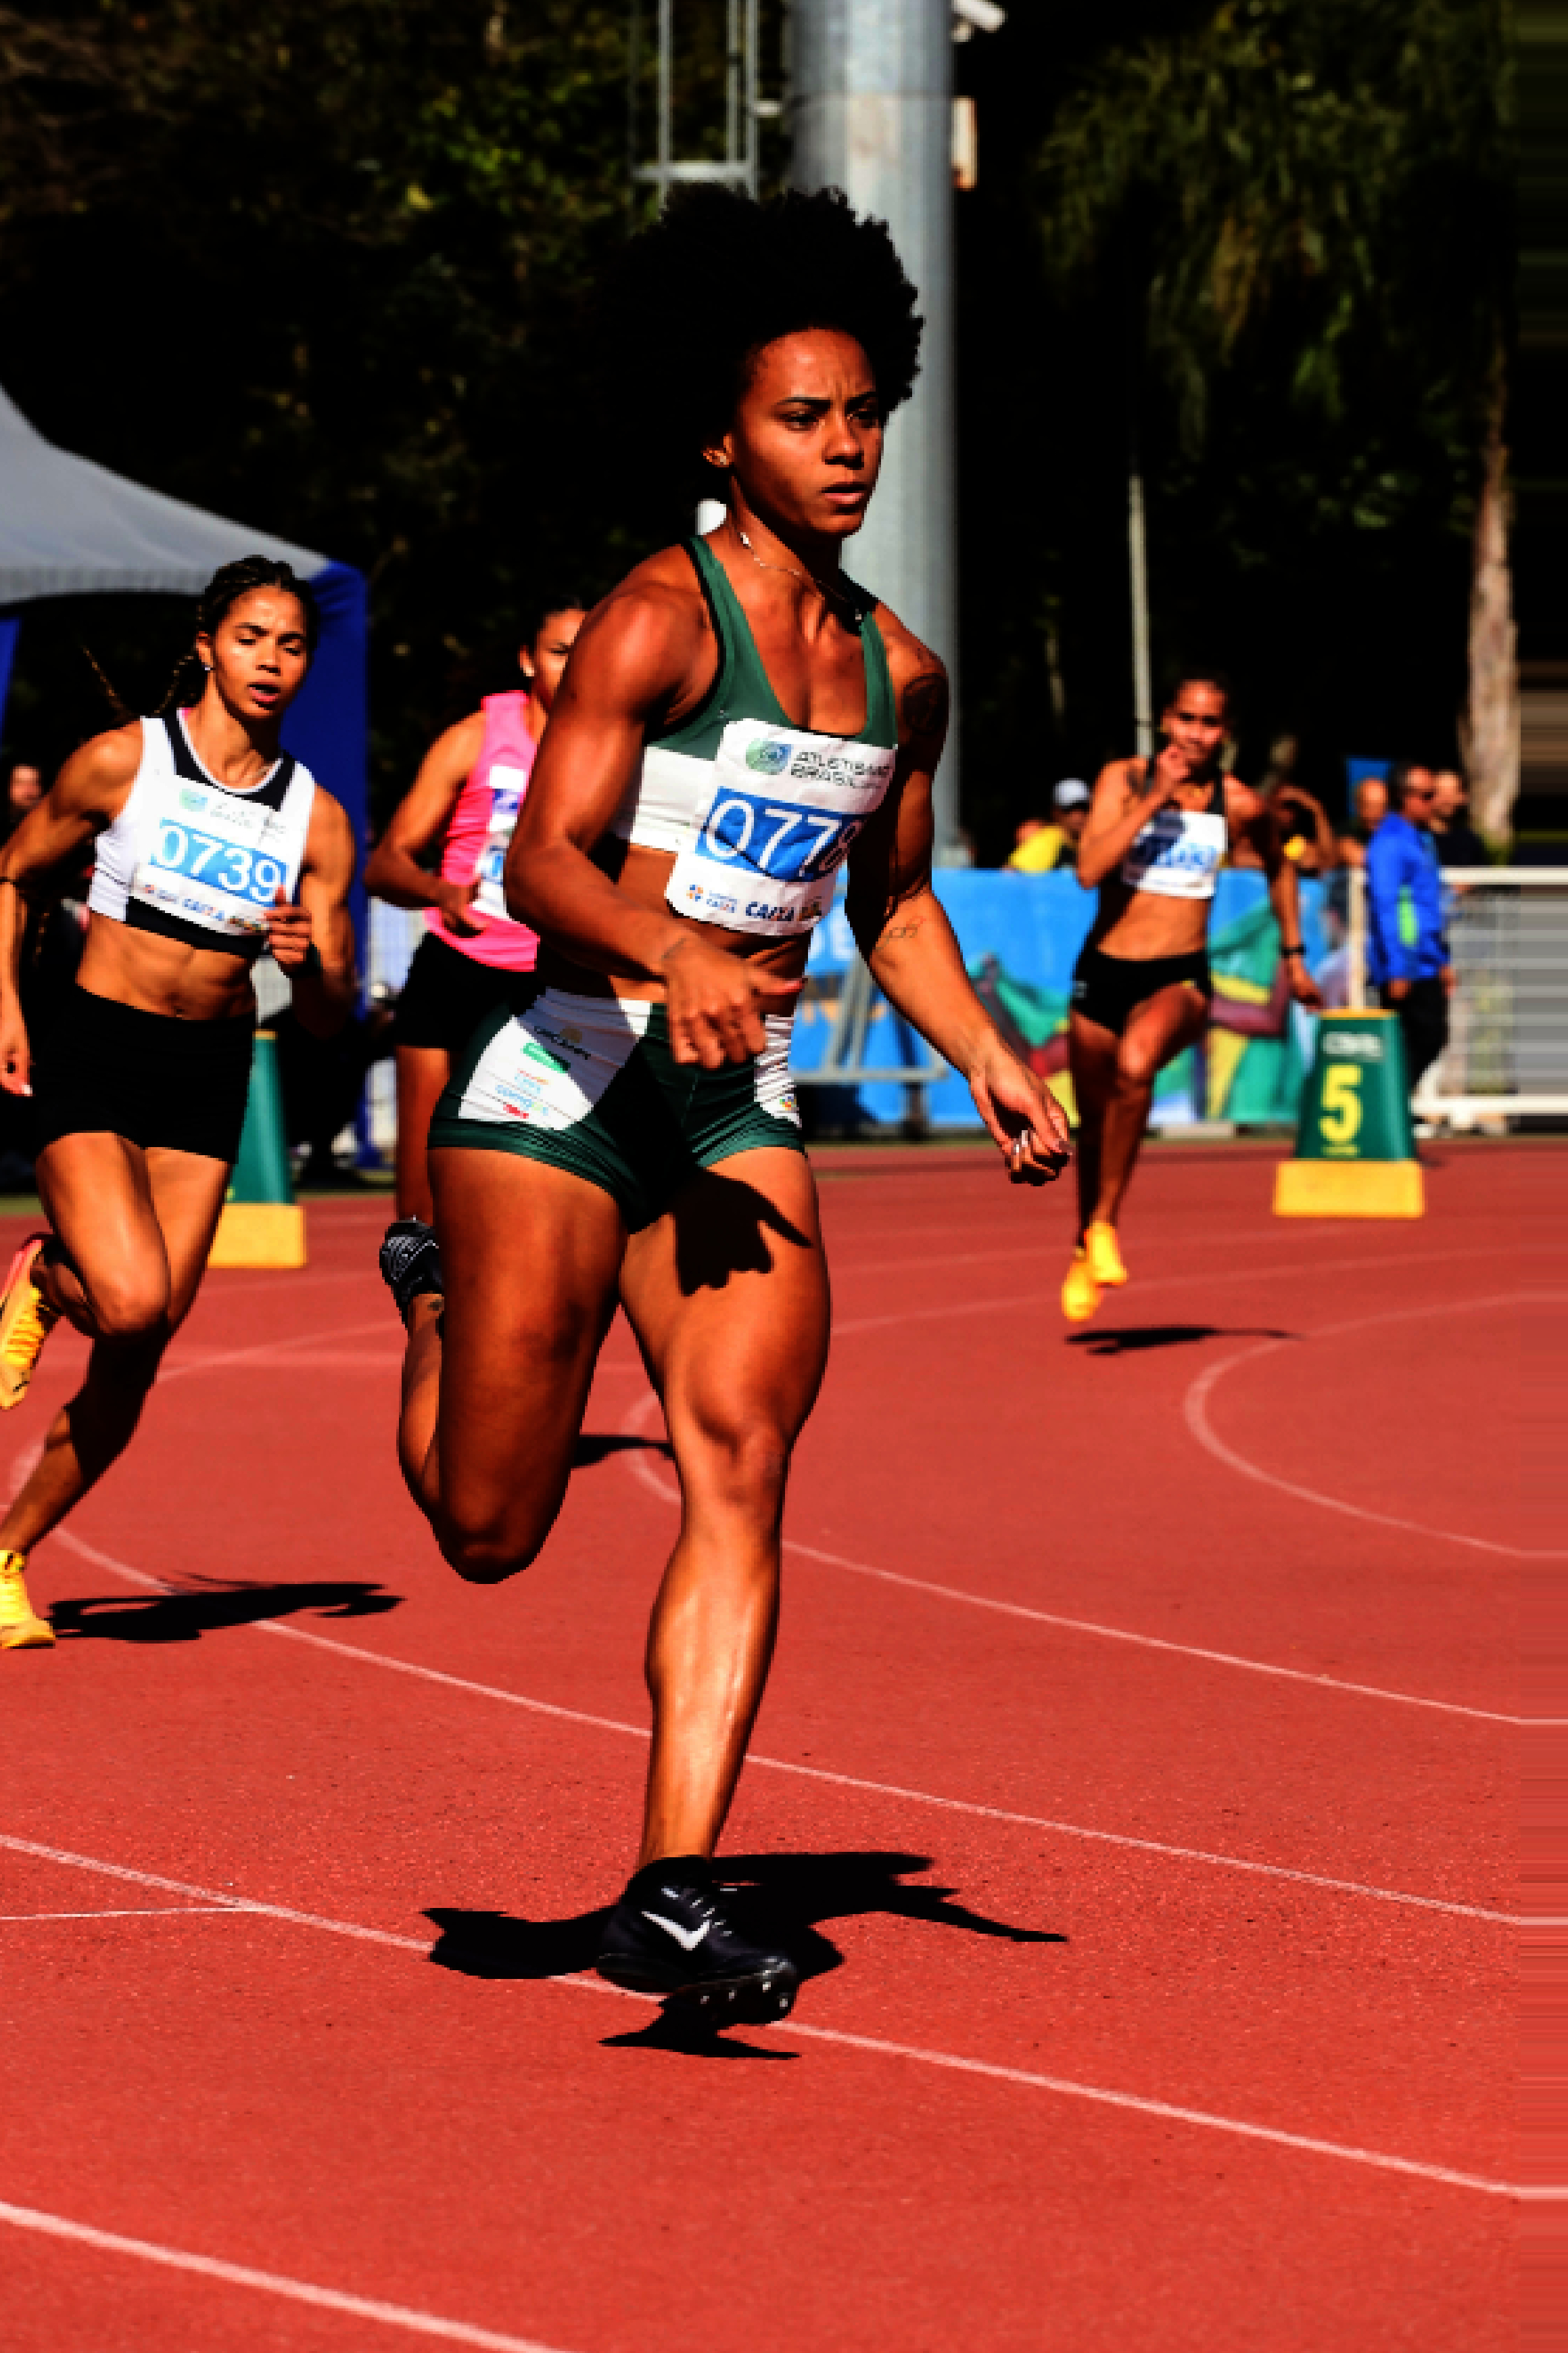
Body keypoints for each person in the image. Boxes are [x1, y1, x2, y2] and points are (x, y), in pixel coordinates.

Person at [377, 185, 1072, 2023]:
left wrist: (989, 1051)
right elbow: (537, 862)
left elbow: (894, 904)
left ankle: (672, 1884)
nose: (840, 448)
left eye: (859, 415)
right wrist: (666, 944)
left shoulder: (899, 677)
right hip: (560, 1089)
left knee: (741, 1458)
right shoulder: (647, 625)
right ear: (721, 436)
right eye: (798, 417)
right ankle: (428, 1288)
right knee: (486, 1525)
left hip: (727, 1107)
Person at [0, 556, 356, 1652]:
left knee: (142, 1343)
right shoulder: (124, 759)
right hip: (99, 1051)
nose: (271, 661)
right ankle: (48, 1270)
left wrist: (308, 968)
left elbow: (330, 1020)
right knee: (130, 1296)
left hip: (210, 1074)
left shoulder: (318, 819)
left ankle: (5, 1554)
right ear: (208, 643)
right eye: (252, 637)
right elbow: (14, 873)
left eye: (291, 645)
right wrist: (6, 1007)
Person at [1062, 671, 1321, 1324]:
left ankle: (1104, 1225)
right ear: (1165, 722)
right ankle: (1083, 1240)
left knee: (1136, 1066)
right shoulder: (1121, 778)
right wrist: (1154, 799)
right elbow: (1089, 870)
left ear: (1225, 734)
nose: (1196, 734)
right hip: (1102, 971)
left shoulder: (1238, 804)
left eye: (1209, 723)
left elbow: (1278, 864)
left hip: (1178, 974)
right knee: (1092, 1130)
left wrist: (1293, 954)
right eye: (1186, 720)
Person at [365, 603, 588, 1221]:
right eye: (559, 652)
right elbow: (385, 864)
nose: (573, 668)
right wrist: (440, 891)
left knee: (534, 1195)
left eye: (587, 652)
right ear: (526, 659)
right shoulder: (478, 737)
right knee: (423, 1204)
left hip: (553, 986)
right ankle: (426, 1309)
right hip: (456, 971)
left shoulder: (617, 752)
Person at [1365, 764, 1452, 1094]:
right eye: (1428, 796)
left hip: (1426, 961)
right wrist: (1397, 969)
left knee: (1432, 1036)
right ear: (1406, 798)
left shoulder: (1423, 839)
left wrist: (1441, 959)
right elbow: (1387, 907)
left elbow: (1428, 907)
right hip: (1403, 965)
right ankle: (1388, 1110)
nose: (1435, 803)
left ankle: (1394, 1108)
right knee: (1409, 1041)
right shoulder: (1388, 841)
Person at [1007, 778, 1091, 873]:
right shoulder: (1051, 839)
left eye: (1084, 807)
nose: (1078, 814)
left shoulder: (1089, 842)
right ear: (1055, 812)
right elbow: (1011, 872)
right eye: (1069, 808)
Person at [1430, 768, 1488, 869]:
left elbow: (1485, 879)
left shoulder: (1470, 841)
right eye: (1440, 792)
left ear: (1463, 798)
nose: (1447, 800)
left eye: (1453, 793)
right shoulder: (1415, 838)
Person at [1336, 772, 1389, 869]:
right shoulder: (1349, 829)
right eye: (1370, 806)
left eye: (1382, 807)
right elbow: (1354, 856)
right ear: (1357, 806)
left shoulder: (1396, 827)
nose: (1378, 813)